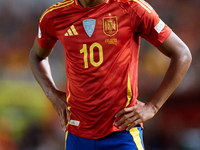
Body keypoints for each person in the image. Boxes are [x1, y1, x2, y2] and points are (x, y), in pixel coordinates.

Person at [29, 0, 192, 149]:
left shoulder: (132, 8)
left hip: (121, 133)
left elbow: (182, 54)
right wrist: (52, 94)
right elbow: (36, 56)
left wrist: (153, 106)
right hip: (76, 134)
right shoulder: (55, 16)